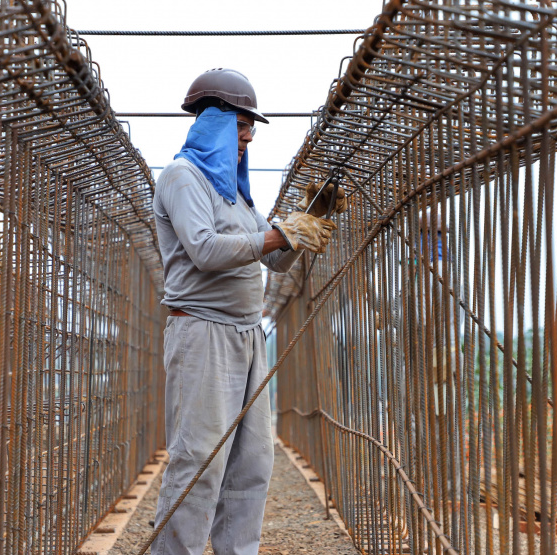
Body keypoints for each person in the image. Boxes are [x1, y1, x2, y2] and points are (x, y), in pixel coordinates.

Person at [150, 68, 346, 554]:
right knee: (198, 462)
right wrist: (283, 233)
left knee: (251, 464)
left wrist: (312, 217)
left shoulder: (235, 195)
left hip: (246, 336)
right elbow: (205, 250)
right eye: (241, 124)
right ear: (212, 122)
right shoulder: (183, 177)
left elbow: (275, 259)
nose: (248, 136)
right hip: (203, 334)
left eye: (251, 127)